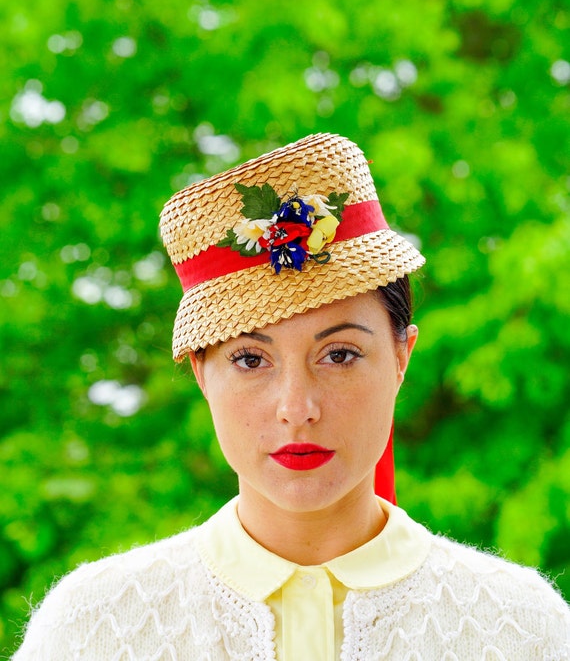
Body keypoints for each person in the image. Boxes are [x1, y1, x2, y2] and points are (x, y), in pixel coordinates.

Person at [13, 133, 570, 660]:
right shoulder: (93, 627)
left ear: (402, 357)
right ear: (201, 373)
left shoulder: (521, 628)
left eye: (341, 355)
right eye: (251, 360)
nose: (297, 407)